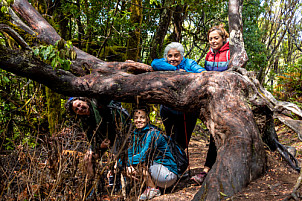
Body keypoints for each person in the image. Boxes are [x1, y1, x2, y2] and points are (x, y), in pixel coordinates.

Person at [191, 24, 230, 184]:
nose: (213, 41)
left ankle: (216, 169)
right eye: (210, 39)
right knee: (213, 134)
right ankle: (208, 170)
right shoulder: (209, 55)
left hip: (227, 99)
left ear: (223, 38)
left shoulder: (230, 52)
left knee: (224, 133)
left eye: (216, 38)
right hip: (211, 101)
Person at [151, 42, 206, 150]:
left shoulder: (189, 63)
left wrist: (186, 74)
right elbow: (154, 63)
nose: (173, 59)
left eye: (176, 55)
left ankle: (178, 162)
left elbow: (202, 72)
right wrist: (175, 70)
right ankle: (172, 163)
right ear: (166, 56)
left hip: (187, 110)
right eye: (170, 56)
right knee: (170, 138)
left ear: (182, 56)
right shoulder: (164, 63)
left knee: (183, 142)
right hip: (168, 109)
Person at [65, 97, 130, 177]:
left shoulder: (98, 105)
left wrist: (108, 141)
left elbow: (113, 123)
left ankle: (118, 178)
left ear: (84, 101)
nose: (80, 108)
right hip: (104, 142)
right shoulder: (84, 121)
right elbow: (91, 140)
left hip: (117, 136)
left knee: (117, 159)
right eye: (76, 109)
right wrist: (100, 145)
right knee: (87, 158)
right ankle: (93, 183)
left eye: (79, 104)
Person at [124, 106, 178, 200]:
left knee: (140, 162)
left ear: (147, 119)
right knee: (126, 165)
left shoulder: (153, 133)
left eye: (142, 117)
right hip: (156, 170)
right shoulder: (135, 134)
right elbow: (130, 152)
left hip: (168, 174)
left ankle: (153, 189)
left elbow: (143, 156)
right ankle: (142, 187)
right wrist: (124, 165)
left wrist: (128, 163)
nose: (139, 120)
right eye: (136, 118)